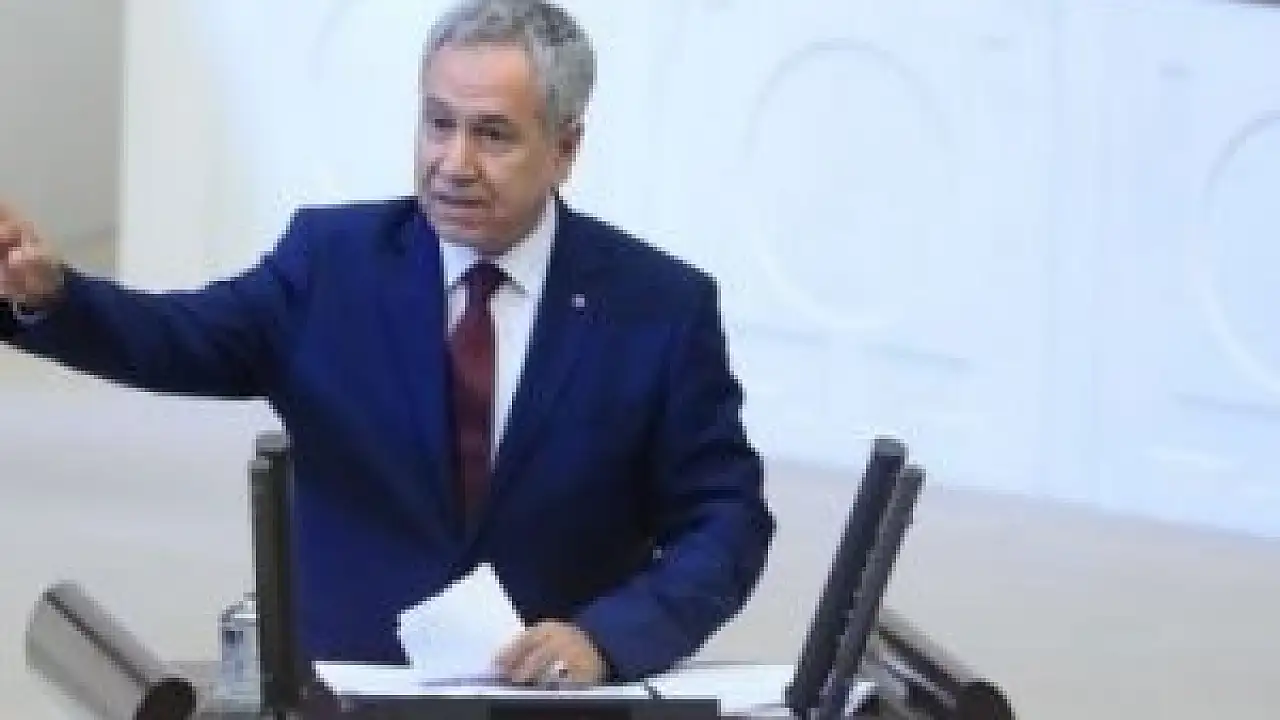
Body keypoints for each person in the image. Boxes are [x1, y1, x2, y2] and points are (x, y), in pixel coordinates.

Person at [0, 0, 774, 686]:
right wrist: (49, 294)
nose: (454, 163)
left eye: (492, 134)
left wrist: (607, 639)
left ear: (565, 148)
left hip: (550, 699)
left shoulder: (659, 307)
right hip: (348, 689)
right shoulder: (330, 262)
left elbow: (726, 519)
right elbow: (177, 337)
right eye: (439, 123)